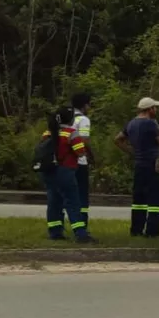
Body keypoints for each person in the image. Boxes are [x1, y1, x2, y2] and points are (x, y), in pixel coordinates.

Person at [39, 107, 97, 243]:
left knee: (54, 201)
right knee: (72, 202)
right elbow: (80, 152)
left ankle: (55, 232)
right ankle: (81, 234)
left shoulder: (47, 133)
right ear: (70, 119)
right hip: (65, 171)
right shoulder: (71, 133)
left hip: (48, 171)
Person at [114, 97, 159, 238]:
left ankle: (136, 229)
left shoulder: (131, 123)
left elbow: (118, 139)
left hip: (139, 163)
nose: (156, 110)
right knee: (155, 198)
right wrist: (158, 127)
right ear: (149, 109)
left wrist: (131, 151)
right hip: (152, 163)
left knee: (139, 198)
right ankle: (152, 230)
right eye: (155, 108)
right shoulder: (151, 123)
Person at [71, 93, 93, 226]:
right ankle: (82, 223)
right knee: (82, 194)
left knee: (68, 195)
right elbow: (84, 141)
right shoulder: (83, 120)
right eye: (89, 104)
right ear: (84, 105)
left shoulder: (66, 117)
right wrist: (91, 155)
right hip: (80, 162)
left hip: (66, 162)